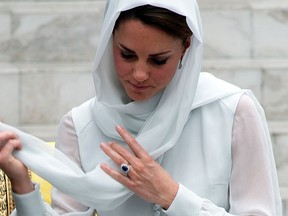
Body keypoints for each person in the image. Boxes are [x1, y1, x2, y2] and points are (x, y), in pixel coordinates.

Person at [0, 0, 282, 215]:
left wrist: (171, 195)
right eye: (127, 54)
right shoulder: (81, 125)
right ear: (109, 41)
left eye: (158, 60)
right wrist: (23, 186)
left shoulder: (233, 112)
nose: (139, 74)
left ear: (186, 48)